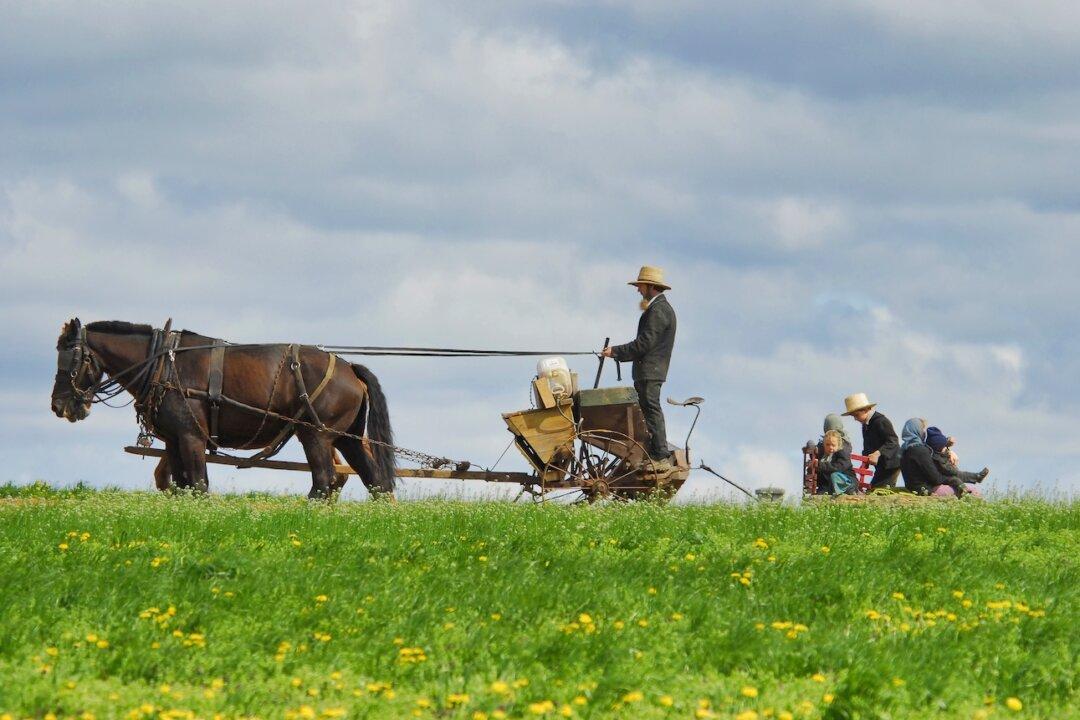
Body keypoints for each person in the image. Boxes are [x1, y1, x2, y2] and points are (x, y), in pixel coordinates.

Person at [601, 265, 677, 468]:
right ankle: (654, 454)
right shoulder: (658, 308)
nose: (638, 290)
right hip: (649, 371)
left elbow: (644, 343)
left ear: (650, 286)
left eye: (640, 286)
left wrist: (615, 351)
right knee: (647, 411)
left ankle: (660, 456)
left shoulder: (659, 310)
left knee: (651, 410)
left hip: (650, 372)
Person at [899, 418, 981, 497]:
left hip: (913, 488)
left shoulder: (903, 450)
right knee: (973, 491)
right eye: (922, 429)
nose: (924, 432)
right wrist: (952, 479)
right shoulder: (920, 450)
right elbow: (936, 478)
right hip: (926, 490)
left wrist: (948, 451)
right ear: (916, 430)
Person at [842, 392, 900, 488]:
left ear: (865, 410)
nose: (855, 419)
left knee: (880, 490)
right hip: (882, 465)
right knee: (875, 488)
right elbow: (867, 445)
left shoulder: (881, 421)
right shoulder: (865, 425)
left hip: (891, 464)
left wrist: (878, 453)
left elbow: (893, 441)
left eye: (856, 415)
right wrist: (865, 461)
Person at [816, 429, 857, 495]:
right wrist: (814, 467)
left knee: (834, 475)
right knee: (823, 486)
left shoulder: (842, 454)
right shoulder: (823, 457)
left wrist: (821, 465)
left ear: (838, 445)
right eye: (827, 445)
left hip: (846, 480)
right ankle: (828, 491)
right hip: (829, 484)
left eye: (833, 445)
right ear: (824, 445)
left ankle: (848, 490)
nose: (830, 447)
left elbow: (839, 468)